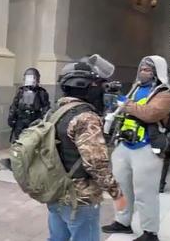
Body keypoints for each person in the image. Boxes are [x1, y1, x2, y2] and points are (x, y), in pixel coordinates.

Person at [46, 60, 126, 241]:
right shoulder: (85, 118)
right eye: (95, 84)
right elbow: (96, 163)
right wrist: (116, 193)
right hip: (80, 197)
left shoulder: (54, 111)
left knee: (57, 238)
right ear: (85, 86)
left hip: (55, 190)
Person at [102, 56, 170, 241]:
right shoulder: (136, 89)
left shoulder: (165, 93)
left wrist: (125, 104)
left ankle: (150, 233)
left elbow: (151, 113)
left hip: (147, 147)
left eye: (148, 69)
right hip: (125, 144)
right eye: (142, 68)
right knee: (121, 188)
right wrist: (114, 100)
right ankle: (123, 221)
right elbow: (122, 108)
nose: (143, 71)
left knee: (145, 193)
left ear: (157, 72)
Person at [8, 67, 50, 142]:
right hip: (21, 119)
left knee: (33, 141)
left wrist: (44, 121)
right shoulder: (21, 91)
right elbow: (14, 105)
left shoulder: (41, 92)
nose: (31, 81)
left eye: (33, 78)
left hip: (35, 120)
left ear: (37, 79)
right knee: (19, 140)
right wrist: (11, 118)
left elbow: (45, 107)